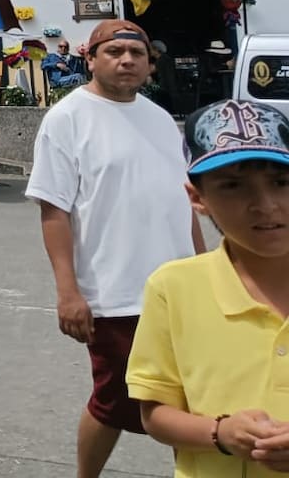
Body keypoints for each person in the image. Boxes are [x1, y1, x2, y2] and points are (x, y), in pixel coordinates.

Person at [25, 20, 205, 478]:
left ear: (149, 65)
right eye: (114, 51)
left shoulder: (162, 119)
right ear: (90, 58)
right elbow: (54, 211)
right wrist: (69, 292)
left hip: (180, 290)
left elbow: (183, 205)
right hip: (115, 295)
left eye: (136, 53)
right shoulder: (67, 118)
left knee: (190, 398)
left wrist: (209, 271)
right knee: (115, 403)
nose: (126, 60)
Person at [127, 99, 289, 472]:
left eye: (281, 182)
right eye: (233, 186)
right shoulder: (174, 288)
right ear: (197, 198)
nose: (265, 205)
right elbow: (155, 411)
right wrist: (220, 433)